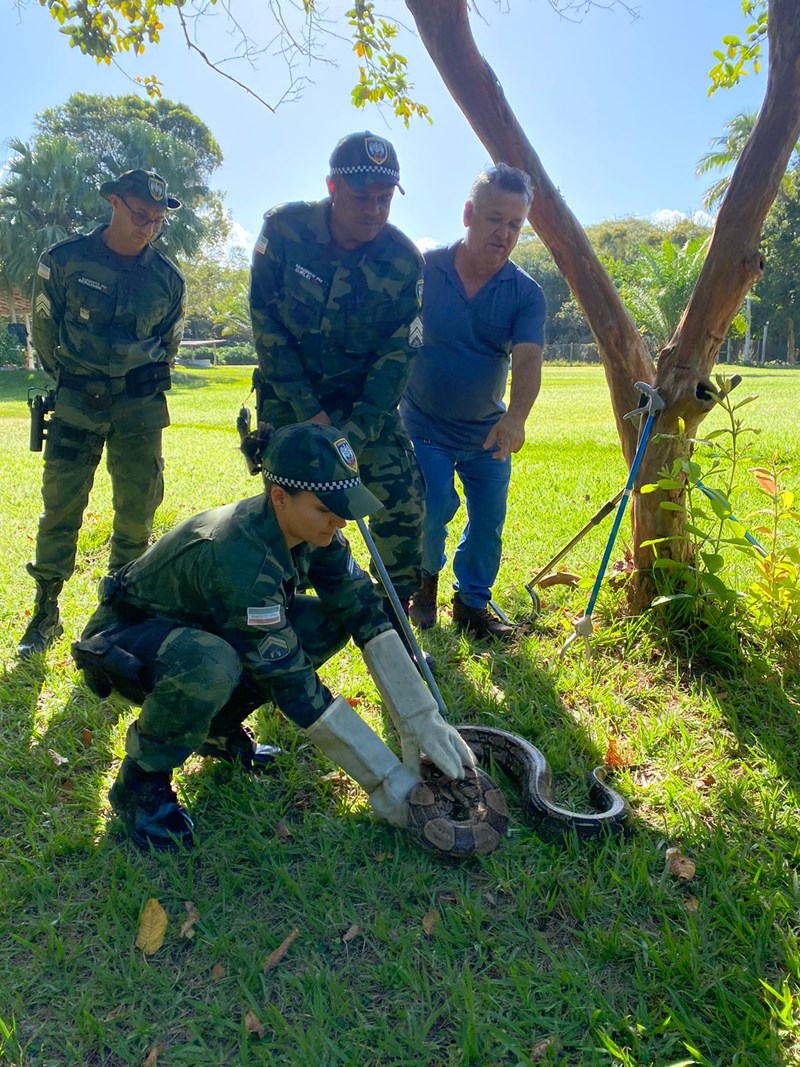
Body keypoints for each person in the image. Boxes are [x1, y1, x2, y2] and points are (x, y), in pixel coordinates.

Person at [71, 421, 474, 851]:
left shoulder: (315, 531)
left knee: (326, 621)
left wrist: (419, 716)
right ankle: (140, 782)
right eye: (325, 509)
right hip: (128, 642)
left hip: (203, 626)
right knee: (212, 663)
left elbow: (362, 608)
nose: (339, 521)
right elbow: (289, 679)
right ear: (280, 498)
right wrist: (384, 778)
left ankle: (216, 729)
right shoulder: (240, 556)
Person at [248, 131, 427, 655]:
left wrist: (355, 431)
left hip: (364, 407)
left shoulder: (403, 261)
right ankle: (276, 631)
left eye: (385, 199)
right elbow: (268, 328)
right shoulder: (283, 231)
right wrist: (312, 416)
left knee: (405, 505)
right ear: (331, 187)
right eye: (361, 198)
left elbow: (399, 356)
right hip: (290, 398)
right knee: (290, 514)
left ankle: (393, 630)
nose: (374, 211)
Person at [18, 169, 186, 658]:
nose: (149, 228)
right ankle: (45, 611)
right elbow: (44, 332)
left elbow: (168, 344)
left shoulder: (167, 278)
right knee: (61, 508)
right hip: (77, 404)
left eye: (158, 221)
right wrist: (79, 379)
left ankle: (118, 612)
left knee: (137, 511)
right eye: (140, 216)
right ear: (113, 201)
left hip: (139, 409)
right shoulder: (64, 261)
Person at [399, 164, 546, 641]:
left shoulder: (525, 293)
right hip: (423, 424)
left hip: (486, 430)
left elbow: (527, 360)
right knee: (434, 502)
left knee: (489, 520)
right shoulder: (425, 270)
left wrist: (516, 417)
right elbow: (392, 339)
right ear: (468, 213)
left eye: (515, 224)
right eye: (493, 218)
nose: (503, 233)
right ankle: (425, 585)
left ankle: (471, 605)